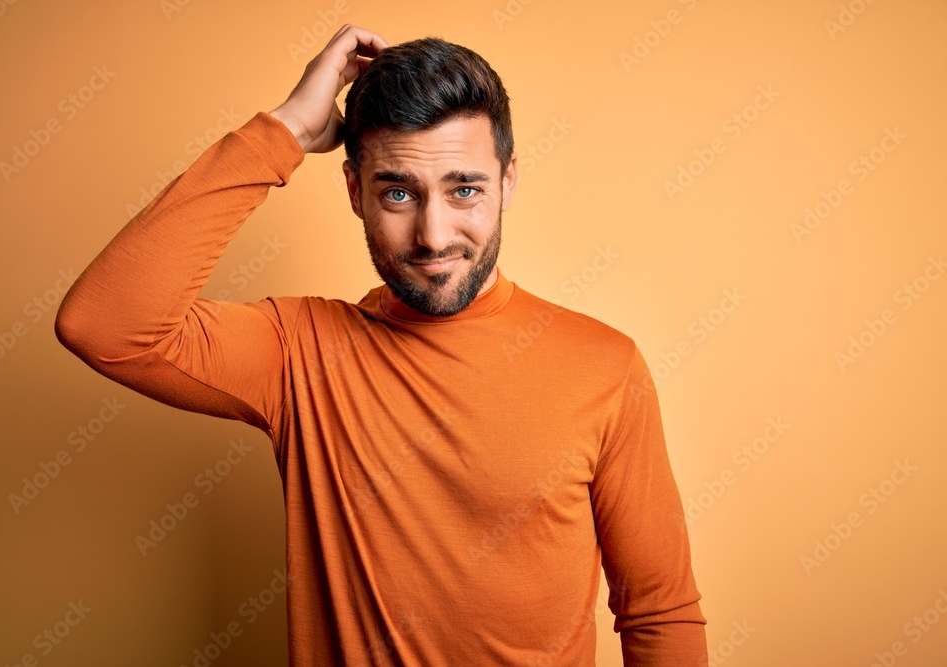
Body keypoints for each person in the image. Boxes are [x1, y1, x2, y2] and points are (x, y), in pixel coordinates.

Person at [56, 24, 707, 666]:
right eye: (398, 191)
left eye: (465, 190)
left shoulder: (605, 367)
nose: (433, 233)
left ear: (507, 181)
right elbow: (104, 324)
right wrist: (284, 130)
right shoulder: (299, 354)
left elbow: (658, 612)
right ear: (353, 192)